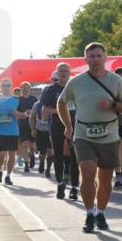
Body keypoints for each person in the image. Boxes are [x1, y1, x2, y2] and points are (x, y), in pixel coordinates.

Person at [58, 43, 122, 232]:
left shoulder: (116, 81)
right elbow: (61, 102)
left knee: (105, 178)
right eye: (91, 56)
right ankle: (89, 213)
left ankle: (101, 212)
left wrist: (112, 105)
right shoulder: (76, 82)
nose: (95, 59)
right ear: (86, 59)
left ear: (105, 58)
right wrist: (68, 125)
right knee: (88, 171)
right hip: (83, 133)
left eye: (99, 56)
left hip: (109, 134)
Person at [41, 65, 79, 200]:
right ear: (57, 73)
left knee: (75, 157)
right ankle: (60, 183)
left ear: (70, 73)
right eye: (61, 71)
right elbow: (44, 112)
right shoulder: (51, 90)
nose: (63, 73)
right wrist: (61, 110)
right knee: (58, 156)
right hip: (57, 125)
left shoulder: (76, 87)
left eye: (66, 71)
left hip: (75, 125)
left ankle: (74, 187)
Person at [0, 79, 20, 185]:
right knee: (2, 154)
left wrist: (17, 113)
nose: (6, 87)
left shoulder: (17, 100)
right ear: (1, 87)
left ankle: (8, 176)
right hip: (0, 131)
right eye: (4, 85)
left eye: (8, 85)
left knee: (12, 155)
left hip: (13, 131)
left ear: (12, 87)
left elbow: (24, 114)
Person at [16, 82, 38, 173]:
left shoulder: (34, 99)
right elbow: (15, 113)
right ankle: (26, 163)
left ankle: (32, 155)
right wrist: (23, 114)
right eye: (23, 87)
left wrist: (31, 113)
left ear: (30, 89)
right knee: (24, 144)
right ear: (21, 88)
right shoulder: (18, 100)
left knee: (32, 146)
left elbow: (38, 112)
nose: (25, 89)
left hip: (32, 124)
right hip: (22, 124)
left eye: (27, 87)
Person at [29, 99, 54, 178]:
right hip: (40, 130)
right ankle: (42, 161)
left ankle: (48, 170)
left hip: (52, 131)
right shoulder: (37, 104)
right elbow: (32, 117)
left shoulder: (55, 103)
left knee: (50, 151)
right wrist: (33, 129)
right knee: (42, 151)